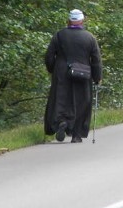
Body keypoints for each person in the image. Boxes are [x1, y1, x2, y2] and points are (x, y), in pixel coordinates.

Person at [44, 9, 103, 143]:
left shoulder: (59, 35)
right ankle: (76, 134)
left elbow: (49, 55)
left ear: (69, 20)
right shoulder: (89, 37)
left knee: (60, 99)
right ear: (82, 21)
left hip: (61, 73)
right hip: (83, 73)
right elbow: (96, 59)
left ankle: (61, 122)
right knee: (82, 101)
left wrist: (52, 69)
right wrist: (97, 76)